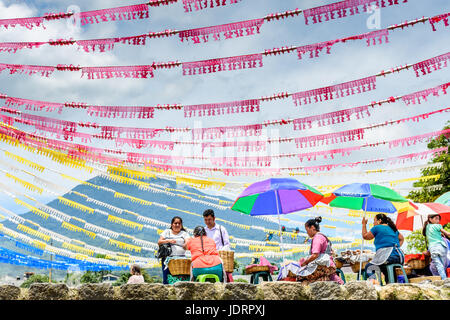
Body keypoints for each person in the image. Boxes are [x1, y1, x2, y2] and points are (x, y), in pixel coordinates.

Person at [297, 217, 344, 285]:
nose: (307, 232)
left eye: (307, 230)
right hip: (328, 265)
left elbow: (315, 255)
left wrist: (305, 262)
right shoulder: (322, 237)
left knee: (300, 276)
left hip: (323, 265)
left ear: (312, 227)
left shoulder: (317, 238)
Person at [362, 213, 405, 284]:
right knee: (385, 268)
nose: (373, 223)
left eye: (374, 221)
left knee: (369, 267)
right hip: (399, 257)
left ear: (379, 220)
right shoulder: (393, 228)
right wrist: (396, 247)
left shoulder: (377, 228)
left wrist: (364, 224)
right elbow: (401, 239)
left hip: (389, 257)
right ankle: (390, 283)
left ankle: (374, 284)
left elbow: (365, 236)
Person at [158, 216, 190, 284]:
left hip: (180, 260)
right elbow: (159, 242)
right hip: (167, 259)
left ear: (181, 225)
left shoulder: (184, 234)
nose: (177, 225)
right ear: (172, 224)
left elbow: (188, 241)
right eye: (175, 223)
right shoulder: (167, 232)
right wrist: (168, 240)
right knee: (166, 278)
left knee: (180, 278)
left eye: (179, 223)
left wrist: (185, 245)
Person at [203, 209, 233, 282]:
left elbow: (227, 244)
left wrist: (219, 252)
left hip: (219, 258)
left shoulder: (221, 229)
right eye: (205, 220)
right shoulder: (204, 230)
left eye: (209, 219)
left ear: (214, 218)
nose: (207, 222)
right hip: (207, 258)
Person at [422, 213, 450, 279]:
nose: (438, 221)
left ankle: (441, 279)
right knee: (442, 266)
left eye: (438, 219)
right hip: (441, 247)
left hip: (432, 248)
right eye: (436, 219)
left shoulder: (427, 227)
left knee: (438, 265)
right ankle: (444, 279)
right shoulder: (438, 226)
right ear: (430, 219)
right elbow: (448, 233)